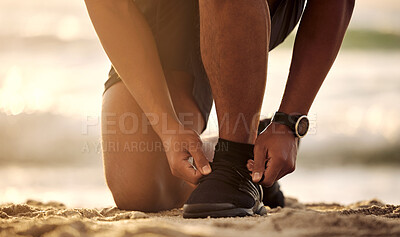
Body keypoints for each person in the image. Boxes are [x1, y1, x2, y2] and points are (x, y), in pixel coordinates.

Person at [84, 0, 355, 218]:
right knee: (140, 189)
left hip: (254, 7)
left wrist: (289, 121)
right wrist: (168, 128)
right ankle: (243, 153)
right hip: (163, 11)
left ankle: (236, 163)